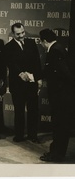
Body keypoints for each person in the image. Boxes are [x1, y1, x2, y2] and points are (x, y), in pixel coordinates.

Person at [39, 29, 75, 162]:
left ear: (44, 41)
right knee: (61, 126)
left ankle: (56, 155)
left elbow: (64, 73)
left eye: (41, 42)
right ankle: (56, 153)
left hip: (61, 97)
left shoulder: (54, 51)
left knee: (59, 126)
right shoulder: (59, 48)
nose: (41, 45)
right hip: (64, 96)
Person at [3, 22, 43, 143]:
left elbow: (37, 62)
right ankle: (19, 135)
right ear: (13, 34)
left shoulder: (31, 43)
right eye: (18, 34)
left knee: (33, 110)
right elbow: (10, 63)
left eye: (22, 33)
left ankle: (33, 135)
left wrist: (39, 78)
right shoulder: (8, 47)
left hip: (32, 82)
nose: (21, 35)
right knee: (19, 110)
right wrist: (20, 73)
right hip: (18, 84)